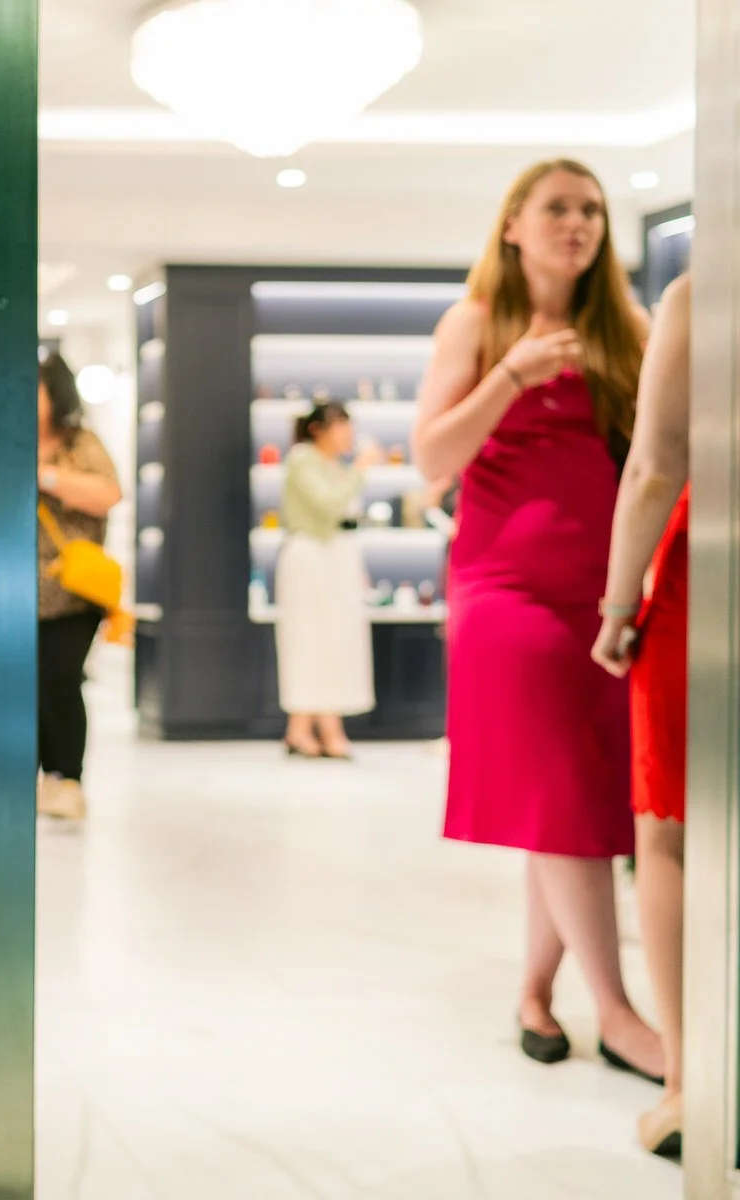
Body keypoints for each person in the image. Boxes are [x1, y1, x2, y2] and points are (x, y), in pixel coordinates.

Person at [412, 158, 662, 1082]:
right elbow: (433, 456)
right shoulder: (477, 321)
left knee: (563, 803)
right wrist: (510, 377)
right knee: (566, 804)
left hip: (601, 596)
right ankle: (619, 1014)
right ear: (513, 223)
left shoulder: (623, 328)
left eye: (592, 209)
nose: (579, 223)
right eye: (558, 207)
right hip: (505, 593)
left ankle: (532, 994)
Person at [592, 271, 692, 1157]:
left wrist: (618, 609)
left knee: (667, 829)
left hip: (711, 571)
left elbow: (656, 463)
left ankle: (689, 1082)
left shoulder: (704, 295)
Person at [36, 352, 121, 821]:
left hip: (71, 592)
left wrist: (45, 475)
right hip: (12, 595)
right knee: (22, 688)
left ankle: (65, 779)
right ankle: (29, 778)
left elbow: (108, 494)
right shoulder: (3, 440)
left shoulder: (80, 443)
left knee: (61, 683)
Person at [275, 402, 380, 759]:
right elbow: (329, 504)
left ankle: (302, 728)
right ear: (319, 429)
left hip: (337, 556)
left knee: (335, 639)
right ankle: (324, 729)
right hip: (311, 556)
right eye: (341, 427)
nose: (348, 435)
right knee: (311, 638)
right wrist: (361, 470)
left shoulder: (334, 465)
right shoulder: (303, 459)